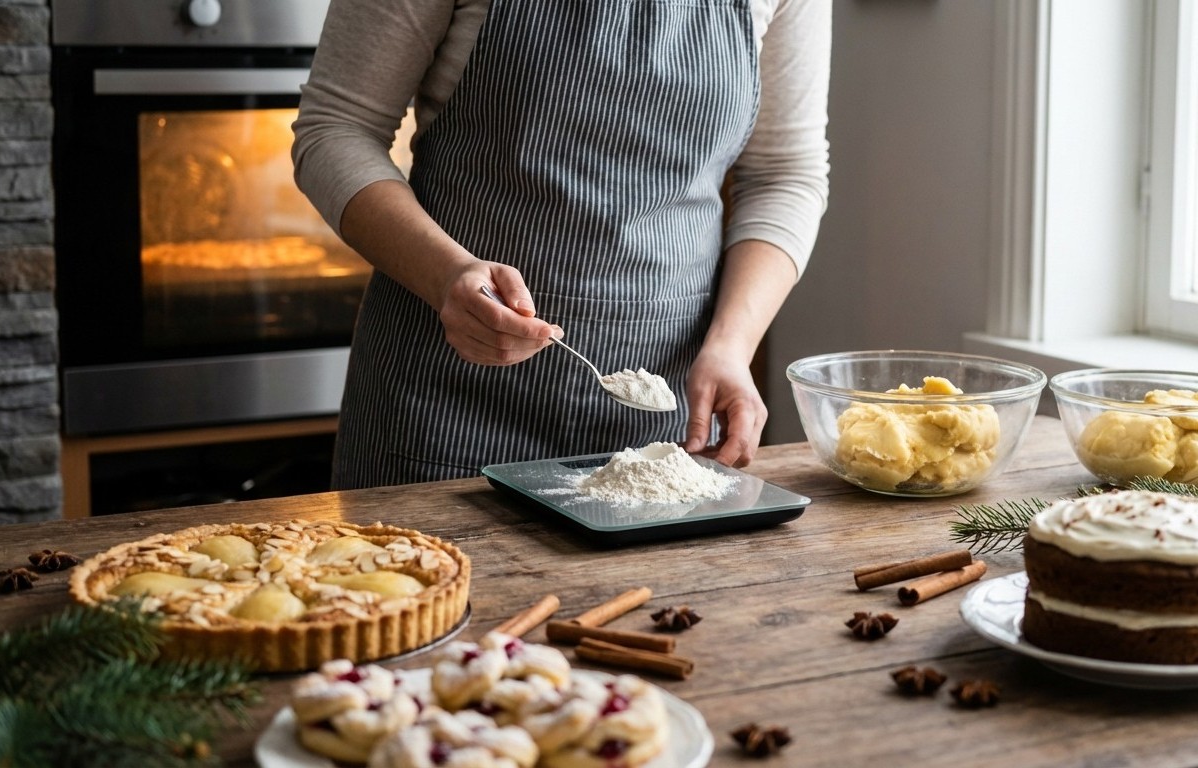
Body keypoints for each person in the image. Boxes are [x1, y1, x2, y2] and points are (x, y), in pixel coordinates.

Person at [292, 0, 831, 489]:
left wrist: (733, 344)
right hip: (442, 394)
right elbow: (337, 128)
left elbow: (785, 175)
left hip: (667, 399)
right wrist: (444, 274)